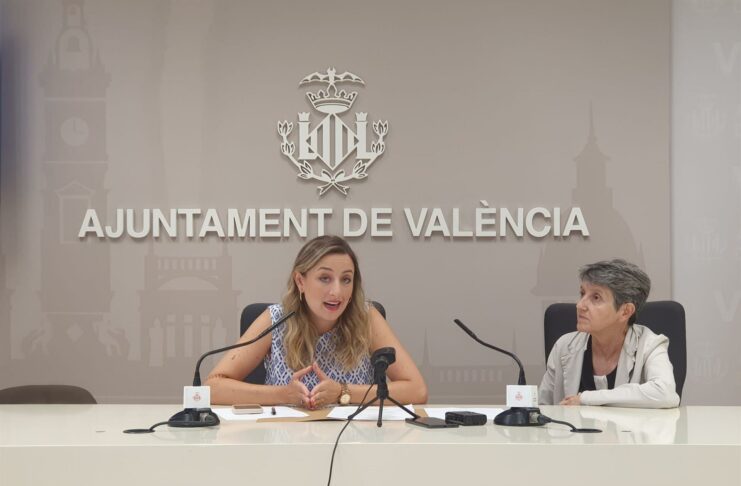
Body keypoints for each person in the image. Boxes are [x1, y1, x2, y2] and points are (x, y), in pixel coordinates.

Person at [206, 235, 428, 408]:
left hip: (352, 441)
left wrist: (343, 392)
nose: (337, 292)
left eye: (346, 279)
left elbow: (417, 390)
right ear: (300, 281)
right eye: (325, 278)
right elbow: (212, 387)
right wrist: (282, 395)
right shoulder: (275, 319)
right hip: (286, 443)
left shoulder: (366, 317)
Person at [539, 259, 680, 408]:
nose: (580, 305)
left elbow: (665, 393)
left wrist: (586, 399)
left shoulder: (650, 345)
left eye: (596, 297)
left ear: (625, 311)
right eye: (582, 293)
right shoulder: (564, 346)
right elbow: (542, 408)